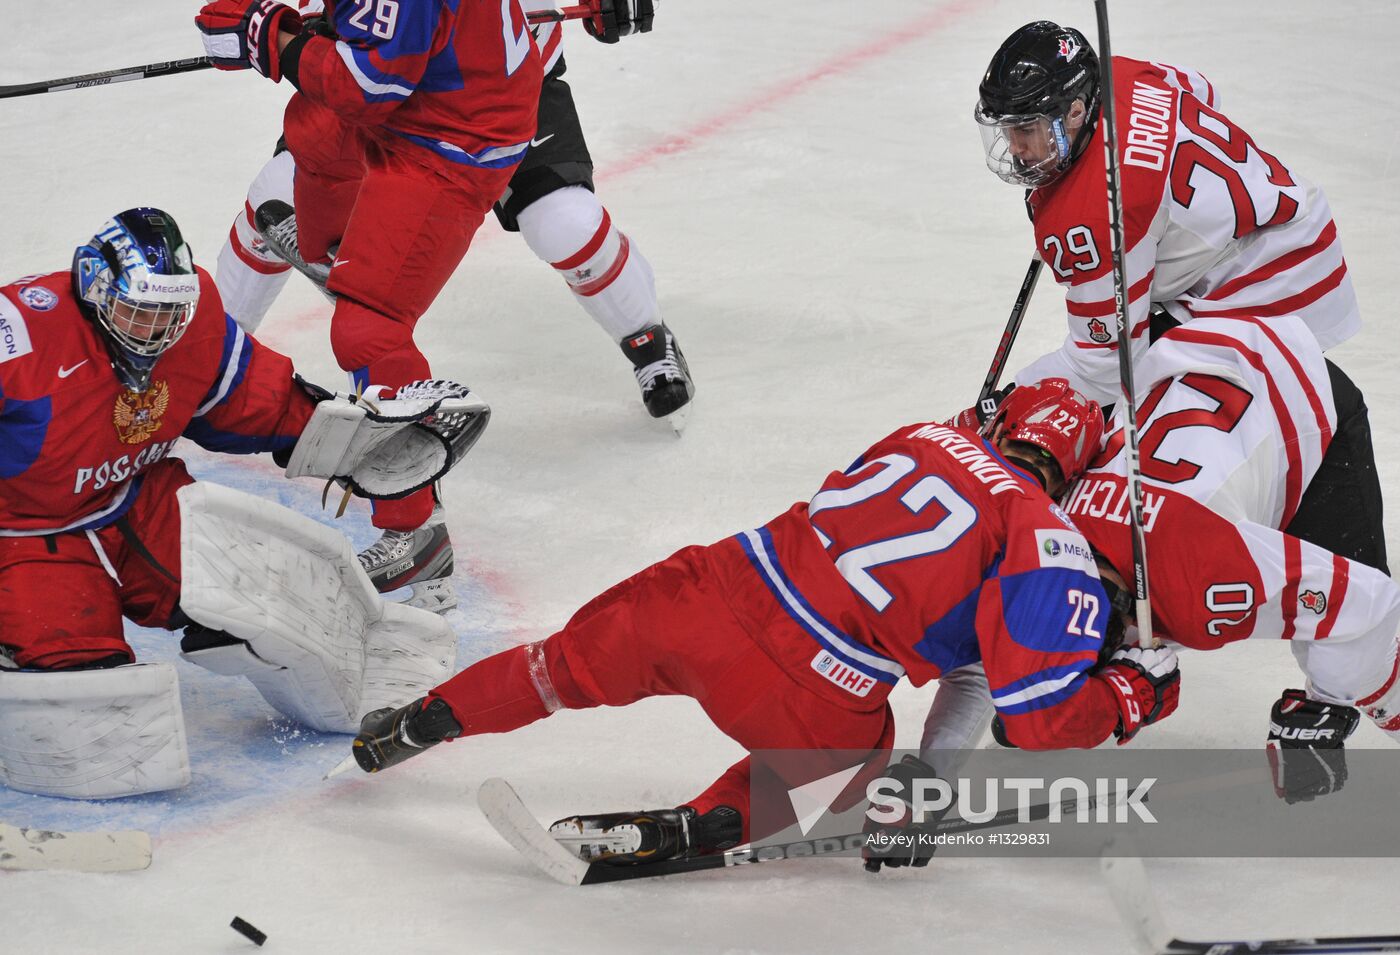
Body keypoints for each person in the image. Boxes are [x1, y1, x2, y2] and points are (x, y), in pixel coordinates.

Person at [337, 379, 1183, 869]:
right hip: (818, 691)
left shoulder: (924, 432)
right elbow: (995, 687)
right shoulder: (1042, 536)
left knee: (558, 666)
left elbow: (950, 464)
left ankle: (415, 722)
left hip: (710, 592)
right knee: (858, 771)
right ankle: (695, 827)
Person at [209, 0, 694, 611]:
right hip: (398, 89)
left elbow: (363, 76)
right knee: (274, 194)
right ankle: (208, 360)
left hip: (485, 106)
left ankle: (647, 339)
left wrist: (269, 40)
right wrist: (264, 26)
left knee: (563, 224)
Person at [0, 207, 486, 800]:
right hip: (20, 533)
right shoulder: (16, 337)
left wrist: (353, 440)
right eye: (140, 312)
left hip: (137, 497)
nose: (155, 333)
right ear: (96, 289)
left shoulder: (194, 315)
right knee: (93, 709)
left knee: (280, 599)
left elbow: (252, 400)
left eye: (167, 316)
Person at [968, 20, 1385, 578]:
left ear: (1073, 111)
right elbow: (1199, 88)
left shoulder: (1097, 215)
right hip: (1289, 218)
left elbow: (1102, 372)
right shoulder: (1119, 73)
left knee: (1165, 403)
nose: (1016, 148)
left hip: (1265, 286)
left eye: (1026, 128)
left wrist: (1008, 404)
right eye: (1007, 128)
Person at [196, 0, 546, 613]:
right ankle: (350, 256)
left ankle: (417, 532)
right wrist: (288, 23)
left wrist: (268, 39)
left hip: (454, 142)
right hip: (420, 100)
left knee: (366, 331)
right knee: (312, 128)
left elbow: (369, 85)